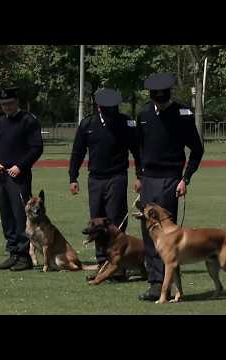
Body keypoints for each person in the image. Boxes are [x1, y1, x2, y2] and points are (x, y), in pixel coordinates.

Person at [136, 74, 204, 301]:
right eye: (156, 100)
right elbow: (139, 150)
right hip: (148, 179)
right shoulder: (144, 115)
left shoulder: (183, 115)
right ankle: (155, 284)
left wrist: (186, 178)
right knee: (149, 234)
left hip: (170, 180)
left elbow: (197, 150)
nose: (159, 103)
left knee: (167, 236)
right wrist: (139, 175)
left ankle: (171, 287)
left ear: (169, 95)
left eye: (162, 99)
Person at [69, 88, 142, 282]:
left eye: (115, 107)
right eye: (109, 108)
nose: (113, 111)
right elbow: (77, 152)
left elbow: (137, 151)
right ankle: (102, 263)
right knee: (96, 222)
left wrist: (139, 176)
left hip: (117, 177)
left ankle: (118, 266)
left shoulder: (125, 123)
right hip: (95, 179)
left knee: (116, 220)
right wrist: (73, 178)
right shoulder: (88, 124)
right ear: (99, 107)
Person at [0, 87, 44, 272]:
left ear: (16, 102)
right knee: (7, 216)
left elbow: (36, 148)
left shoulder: (28, 121)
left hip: (19, 177)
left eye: (10, 103)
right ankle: (13, 252)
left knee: (20, 216)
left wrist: (20, 165)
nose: (7, 107)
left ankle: (24, 256)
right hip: (2, 177)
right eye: (3, 104)